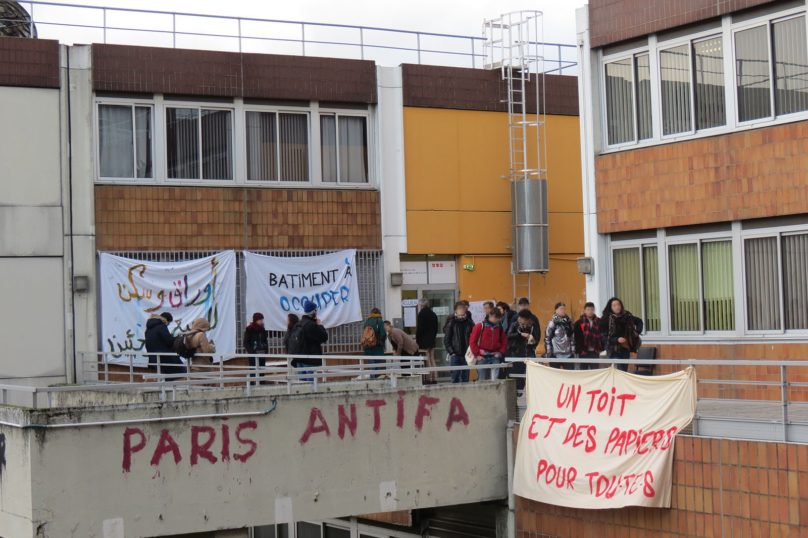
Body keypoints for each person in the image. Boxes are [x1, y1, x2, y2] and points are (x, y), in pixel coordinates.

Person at [599, 297, 643, 372]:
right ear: (610, 308)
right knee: (618, 370)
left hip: (625, 348)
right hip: (613, 349)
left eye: (618, 305)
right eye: (614, 305)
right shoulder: (606, 320)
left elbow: (639, 321)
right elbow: (604, 337)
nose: (617, 307)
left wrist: (637, 332)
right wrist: (617, 340)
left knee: (624, 371)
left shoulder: (627, 316)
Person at [290, 301, 329, 379]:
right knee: (311, 385)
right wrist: (320, 325)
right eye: (316, 311)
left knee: (302, 385)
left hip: (299, 359)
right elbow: (324, 337)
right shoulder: (311, 325)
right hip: (310, 360)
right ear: (313, 312)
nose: (317, 313)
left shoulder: (299, 324)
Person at [470, 308, 507, 381]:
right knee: (482, 379)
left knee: (495, 379)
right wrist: (476, 355)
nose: (497, 319)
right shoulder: (480, 326)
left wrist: (500, 353)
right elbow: (472, 341)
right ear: (490, 315)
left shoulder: (499, 328)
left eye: (498, 318)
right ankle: (482, 392)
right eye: (495, 317)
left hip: (495, 356)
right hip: (482, 356)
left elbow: (504, 342)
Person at [145, 312, 187, 376]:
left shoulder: (149, 328)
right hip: (164, 358)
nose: (168, 324)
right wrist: (177, 340)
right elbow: (169, 341)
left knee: (164, 375)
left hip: (153, 358)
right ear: (166, 320)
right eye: (169, 322)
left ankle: (162, 383)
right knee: (182, 371)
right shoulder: (161, 327)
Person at [506, 309, 538, 390]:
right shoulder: (514, 325)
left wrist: (534, 341)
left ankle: (529, 391)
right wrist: (520, 335)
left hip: (529, 352)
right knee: (518, 374)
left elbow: (537, 336)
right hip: (517, 353)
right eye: (524, 319)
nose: (525, 321)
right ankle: (518, 391)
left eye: (527, 319)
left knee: (531, 374)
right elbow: (509, 336)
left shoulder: (533, 326)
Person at [444, 301, 475, 383]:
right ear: (455, 311)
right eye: (459, 308)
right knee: (455, 375)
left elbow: (474, 337)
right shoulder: (452, 323)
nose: (461, 310)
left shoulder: (469, 322)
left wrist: (472, 350)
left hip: (466, 353)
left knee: (465, 376)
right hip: (456, 354)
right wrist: (451, 352)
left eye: (463, 308)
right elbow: (447, 338)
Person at [545, 302, 575, 369]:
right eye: (561, 309)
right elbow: (547, 338)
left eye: (564, 309)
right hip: (555, 354)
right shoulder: (552, 323)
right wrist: (549, 353)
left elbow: (572, 338)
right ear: (556, 311)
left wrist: (573, 352)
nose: (563, 311)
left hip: (568, 354)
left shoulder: (569, 323)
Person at [416, 298, 439, 384]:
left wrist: (417, 338)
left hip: (424, 340)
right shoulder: (433, 314)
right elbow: (436, 328)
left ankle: (429, 378)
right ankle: (434, 377)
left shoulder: (422, 314)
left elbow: (420, 328)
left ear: (421, 306)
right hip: (432, 340)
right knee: (432, 358)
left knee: (426, 359)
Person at [574, 302, 603, 370]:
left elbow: (602, 335)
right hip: (584, 352)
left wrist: (600, 348)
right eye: (588, 310)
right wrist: (580, 350)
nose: (590, 311)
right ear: (584, 311)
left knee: (595, 372)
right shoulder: (579, 323)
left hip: (595, 351)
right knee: (584, 373)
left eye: (592, 310)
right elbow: (576, 338)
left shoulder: (599, 322)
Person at [244, 312, 268, 382]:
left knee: (261, 371)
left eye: (262, 320)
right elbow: (246, 342)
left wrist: (266, 349)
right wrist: (251, 351)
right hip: (253, 354)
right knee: (253, 370)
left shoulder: (262, 329)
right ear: (256, 320)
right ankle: (252, 385)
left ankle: (262, 384)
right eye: (260, 320)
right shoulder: (250, 329)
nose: (261, 321)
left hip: (262, 353)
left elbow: (264, 340)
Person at [363, 308, 386, 377]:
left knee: (372, 366)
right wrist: (381, 342)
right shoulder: (379, 320)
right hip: (377, 347)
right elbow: (383, 333)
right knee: (377, 367)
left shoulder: (367, 321)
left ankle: (372, 382)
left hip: (368, 346)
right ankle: (375, 382)